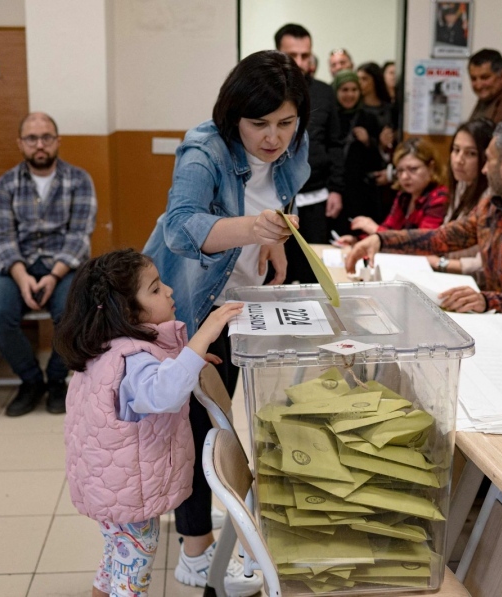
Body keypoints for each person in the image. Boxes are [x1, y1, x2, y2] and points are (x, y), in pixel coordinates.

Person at [142, 49, 309, 594]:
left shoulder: (294, 143)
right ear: (232, 115)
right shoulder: (202, 150)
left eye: (286, 122)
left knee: (232, 420)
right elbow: (182, 228)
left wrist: (276, 240)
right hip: (192, 302)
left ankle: (236, 524)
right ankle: (193, 551)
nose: (274, 137)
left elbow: (277, 203)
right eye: (259, 124)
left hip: (245, 297)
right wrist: (253, 230)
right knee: (192, 426)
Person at [56, 249, 245, 597]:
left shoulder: (108, 347)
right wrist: (205, 332)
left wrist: (189, 359)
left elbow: (155, 381)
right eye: (156, 289)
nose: (170, 291)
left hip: (112, 487)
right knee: (133, 577)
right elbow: (163, 394)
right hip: (128, 493)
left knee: (116, 558)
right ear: (128, 310)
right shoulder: (133, 359)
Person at [346, 120, 502, 356]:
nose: (484, 169)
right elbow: (442, 238)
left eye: (488, 159)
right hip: (499, 327)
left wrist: (486, 301)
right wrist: (382, 240)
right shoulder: (492, 207)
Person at [0, 112, 97, 416]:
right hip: (17, 266)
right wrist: (22, 278)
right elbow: (2, 237)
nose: (40, 145)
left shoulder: (79, 180)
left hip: (65, 265)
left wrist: (53, 276)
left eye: (46, 137)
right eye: (32, 139)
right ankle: (31, 380)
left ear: (57, 141)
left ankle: (57, 379)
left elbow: (79, 234)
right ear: (21, 144)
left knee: (73, 311)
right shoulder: (6, 184)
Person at [275, 23, 344, 283]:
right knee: (275, 271)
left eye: (305, 55)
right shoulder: (268, 92)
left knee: (313, 272)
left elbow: (335, 143)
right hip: (275, 199)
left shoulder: (325, 93)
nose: (300, 62)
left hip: (316, 198)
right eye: (292, 55)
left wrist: (336, 188)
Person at [340, 137, 447, 242]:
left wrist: (375, 229)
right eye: (400, 171)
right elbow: (389, 228)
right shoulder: (404, 196)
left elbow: (423, 242)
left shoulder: (439, 197)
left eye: (413, 169)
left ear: (431, 167)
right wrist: (358, 241)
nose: (404, 177)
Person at [426, 118, 495, 276]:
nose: (459, 160)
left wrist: (439, 263)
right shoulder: (463, 184)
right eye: (456, 150)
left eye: (471, 153)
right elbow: (446, 233)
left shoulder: (493, 197)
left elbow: (484, 264)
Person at [330, 69, 389, 233]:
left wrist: (369, 141)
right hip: (335, 188)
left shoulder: (368, 118)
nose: (350, 95)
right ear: (336, 91)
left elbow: (377, 162)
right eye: (344, 90)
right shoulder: (330, 116)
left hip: (361, 193)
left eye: (354, 90)